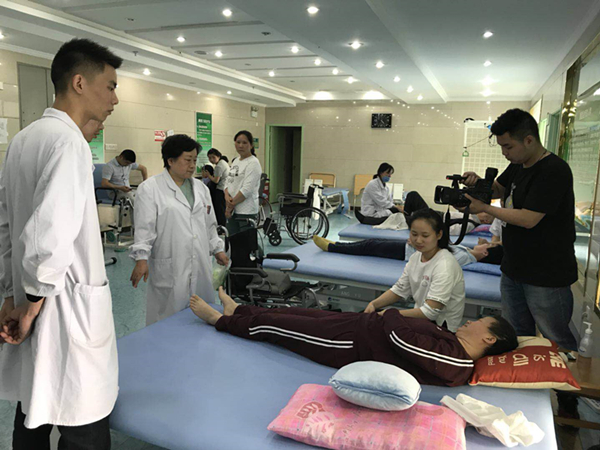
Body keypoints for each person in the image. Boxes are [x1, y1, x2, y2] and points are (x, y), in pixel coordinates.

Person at [0, 38, 121, 449]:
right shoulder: (69, 142)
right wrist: (32, 305)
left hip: (32, 294)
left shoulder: (24, 139)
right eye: (110, 86)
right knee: (82, 420)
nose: (115, 99)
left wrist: (10, 295)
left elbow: (6, 227)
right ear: (80, 83)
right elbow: (49, 234)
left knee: (34, 409)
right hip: (61, 305)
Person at [189, 288, 518, 387]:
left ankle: (221, 321)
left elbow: (402, 341)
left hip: (350, 344)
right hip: (359, 326)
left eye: (480, 322)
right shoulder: (453, 344)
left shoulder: (458, 362)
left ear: (489, 340)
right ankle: (239, 310)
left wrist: (391, 313)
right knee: (295, 314)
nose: (472, 321)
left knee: (279, 327)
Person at [461, 108, 577, 350]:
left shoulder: (554, 170)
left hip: (547, 274)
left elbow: (528, 219)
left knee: (556, 340)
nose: (504, 153)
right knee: (515, 337)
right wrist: (477, 183)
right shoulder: (518, 165)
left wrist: (485, 208)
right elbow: (497, 189)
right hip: (513, 269)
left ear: (529, 140)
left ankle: (567, 377)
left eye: (508, 146)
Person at [130, 134, 229, 326]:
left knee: (202, 319)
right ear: (170, 161)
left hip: (199, 261)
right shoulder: (150, 188)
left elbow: (209, 225)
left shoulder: (201, 188)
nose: (192, 166)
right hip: (170, 263)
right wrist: (141, 259)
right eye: (187, 160)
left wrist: (218, 249)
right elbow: (144, 228)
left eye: (195, 160)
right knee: (168, 321)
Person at [358, 209, 466, 332]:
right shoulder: (416, 257)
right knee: (365, 319)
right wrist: (373, 304)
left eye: (425, 236)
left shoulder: (445, 265)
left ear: (439, 235)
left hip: (440, 331)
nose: (418, 240)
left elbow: (430, 312)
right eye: (414, 234)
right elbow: (399, 289)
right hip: (421, 322)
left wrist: (388, 314)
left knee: (375, 327)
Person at [312, 235, 504, 266]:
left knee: (369, 247)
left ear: (485, 253)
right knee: (370, 243)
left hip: (407, 254)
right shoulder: (466, 252)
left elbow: (435, 259)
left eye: (488, 245)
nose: (486, 242)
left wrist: (417, 245)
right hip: (409, 249)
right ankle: (336, 244)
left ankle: (332, 247)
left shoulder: (463, 257)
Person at [224, 130, 262, 236]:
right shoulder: (236, 161)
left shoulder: (253, 163)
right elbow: (228, 181)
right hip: (233, 210)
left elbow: (247, 189)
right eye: (238, 142)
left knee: (246, 242)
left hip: (246, 211)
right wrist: (226, 196)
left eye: (244, 143)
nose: (240, 145)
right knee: (232, 240)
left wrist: (230, 206)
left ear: (251, 145)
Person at [207, 148, 230, 227]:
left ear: (218, 156)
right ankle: (223, 226)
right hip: (225, 189)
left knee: (219, 210)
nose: (211, 159)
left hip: (220, 190)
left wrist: (208, 175)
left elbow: (216, 180)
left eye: (213, 157)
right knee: (222, 209)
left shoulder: (219, 166)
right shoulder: (223, 162)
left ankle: (221, 227)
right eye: (209, 158)